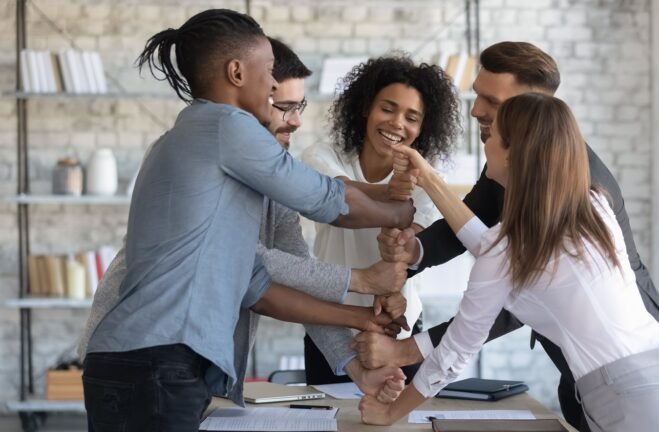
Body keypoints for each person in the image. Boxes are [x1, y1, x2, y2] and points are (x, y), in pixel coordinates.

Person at [82, 10, 412, 432]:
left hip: (145, 364)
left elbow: (259, 287)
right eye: (273, 79)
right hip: (156, 361)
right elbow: (325, 199)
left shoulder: (208, 147)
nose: (276, 92)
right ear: (237, 72)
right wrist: (401, 211)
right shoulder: (225, 127)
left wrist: (359, 336)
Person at [356, 41, 659, 431]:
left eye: (491, 101)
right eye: (477, 94)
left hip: (627, 387)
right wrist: (414, 251)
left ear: (529, 113)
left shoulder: (582, 185)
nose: (476, 110)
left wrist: (405, 360)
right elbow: (484, 233)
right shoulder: (580, 194)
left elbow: (505, 294)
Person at [301, 54, 461, 385]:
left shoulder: (426, 178)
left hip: (397, 324)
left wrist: (393, 289)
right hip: (329, 325)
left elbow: (410, 248)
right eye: (387, 109)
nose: (397, 124)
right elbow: (338, 197)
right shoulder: (322, 156)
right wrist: (391, 194)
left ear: (422, 128)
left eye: (412, 117)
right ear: (365, 108)